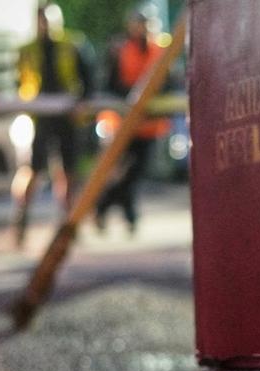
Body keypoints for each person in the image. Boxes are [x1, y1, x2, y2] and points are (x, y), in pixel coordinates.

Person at [10, 4, 94, 249]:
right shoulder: (27, 50)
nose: (44, 26)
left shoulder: (72, 44)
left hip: (66, 116)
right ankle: (22, 219)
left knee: (68, 171)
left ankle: (69, 223)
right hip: (41, 116)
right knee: (33, 170)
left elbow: (87, 77)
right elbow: (19, 81)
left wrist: (81, 103)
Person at [94, 10, 172, 236]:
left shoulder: (161, 50)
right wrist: (133, 96)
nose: (143, 28)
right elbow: (111, 84)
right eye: (139, 24)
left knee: (136, 172)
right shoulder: (120, 50)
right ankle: (127, 215)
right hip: (124, 123)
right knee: (126, 171)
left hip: (150, 124)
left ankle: (106, 207)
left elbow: (168, 81)